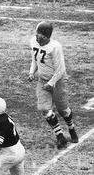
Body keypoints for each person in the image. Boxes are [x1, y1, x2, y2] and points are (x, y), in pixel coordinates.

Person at [28, 21, 78, 149]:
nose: (37, 37)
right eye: (36, 34)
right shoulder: (33, 42)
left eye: (39, 35)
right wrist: (31, 72)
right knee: (45, 109)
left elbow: (61, 69)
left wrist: (51, 83)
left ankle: (71, 128)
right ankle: (60, 136)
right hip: (42, 80)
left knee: (63, 110)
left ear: (47, 36)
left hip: (58, 81)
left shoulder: (55, 47)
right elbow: (35, 59)